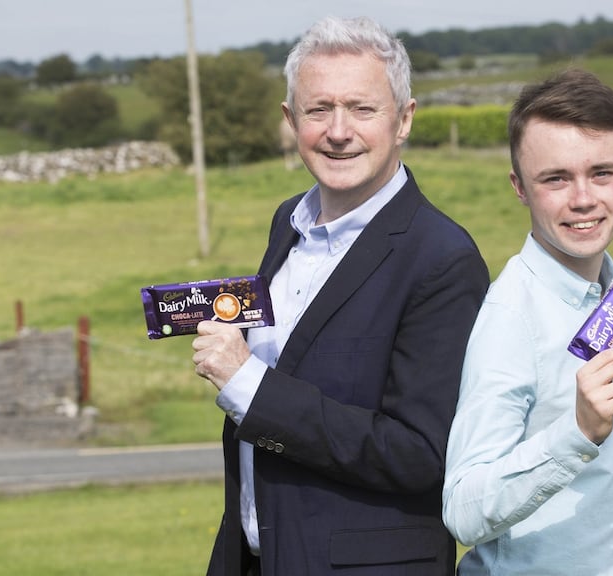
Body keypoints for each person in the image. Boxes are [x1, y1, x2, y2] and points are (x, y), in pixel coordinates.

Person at [191, 16, 490, 576]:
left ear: (404, 119)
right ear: (290, 120)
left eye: (361, 108)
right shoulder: (287, 222)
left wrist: (248, 385)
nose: (338, 130)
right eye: (319, 109)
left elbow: (420, 453)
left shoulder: (443, 259)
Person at [442, 69, 613, 575]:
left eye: (602, 173)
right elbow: (463, 510)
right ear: (519, 187)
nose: (583, 198)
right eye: (555, 178)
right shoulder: (510, 316)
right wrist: (577, 431)